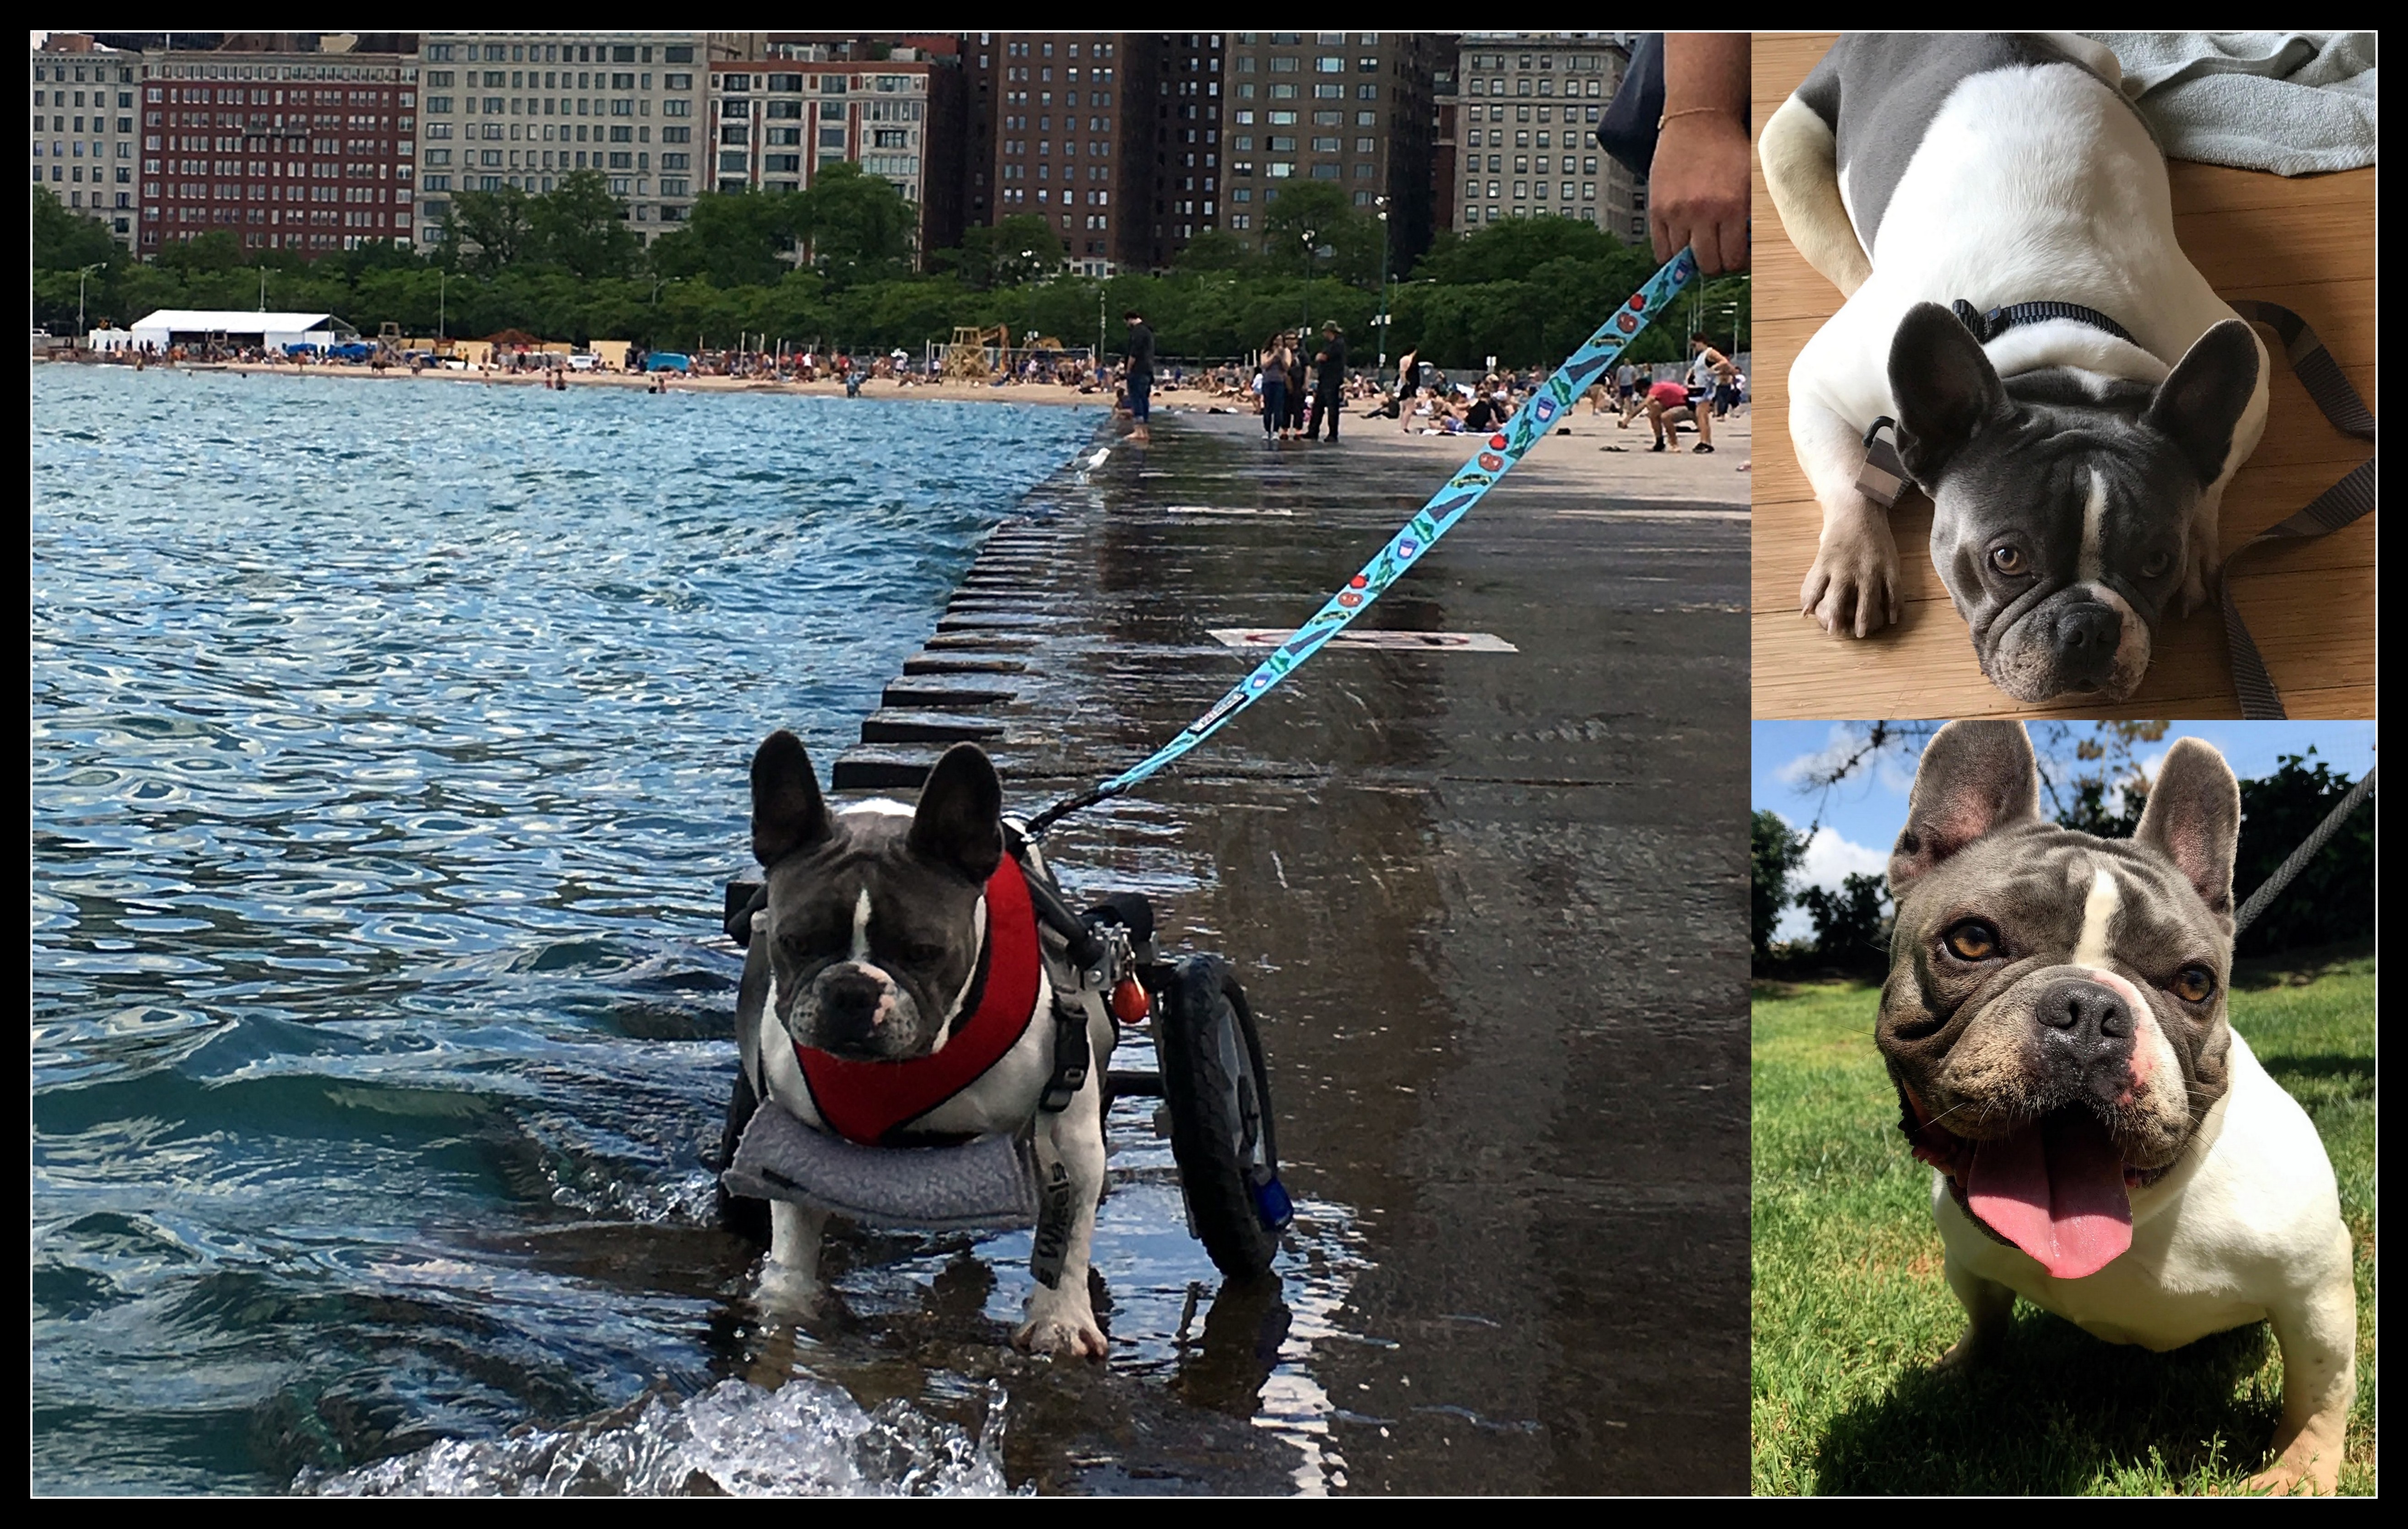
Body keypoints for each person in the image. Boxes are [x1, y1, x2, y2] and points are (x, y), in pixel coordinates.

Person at [1644, 376, 1713, 452]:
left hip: (1689, 406)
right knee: (1654, 413)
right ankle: (1659, 442)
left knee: (1665, 417)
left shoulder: (1655, 390)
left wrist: (1629, 418)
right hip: (1688, 405)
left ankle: (1675, 444)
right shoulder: (1660, 387)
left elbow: (1644, 404)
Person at [1122, 308, 1155, 445]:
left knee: (1136, 399)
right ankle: (1145, 431)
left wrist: (1128, 370)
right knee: (1144, 399)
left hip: (1138, 370)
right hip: (1148, 369)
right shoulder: (1148, 331)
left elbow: (1134, 353)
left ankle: (1138, 431)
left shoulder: (1137, 332)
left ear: (1130, 320)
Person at [1310, 320, 1347, 442]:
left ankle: (1333, 433)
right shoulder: (1329, 344)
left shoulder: (1338, 344)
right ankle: (1313, 430)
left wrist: (1320, 357)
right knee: (1318, 406)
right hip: (1325, 377)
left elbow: (1323, 357)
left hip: (1332, 378)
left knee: (1332, 407)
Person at [1259, 334, 1291, 442]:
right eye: (1276, 341)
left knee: (1279, 408)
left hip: (1279, 382)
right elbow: (1264, 365)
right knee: (1268, 407)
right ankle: (1267, 430)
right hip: (1268, 381)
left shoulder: (1286, 352)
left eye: (1280, 341)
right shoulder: (1266, 351)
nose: (1278, 343)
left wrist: (1281, 357)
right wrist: (1274, 356)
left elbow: (1287, 367)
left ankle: (1276, 431)